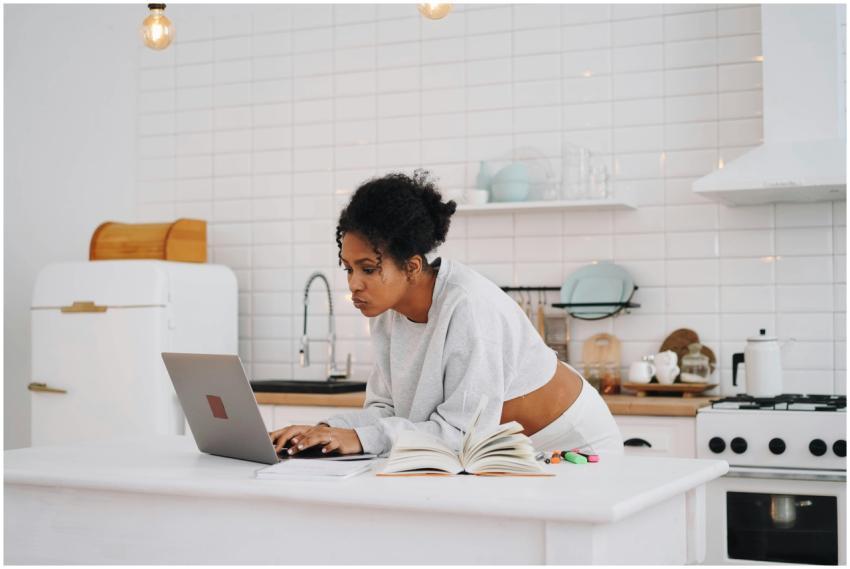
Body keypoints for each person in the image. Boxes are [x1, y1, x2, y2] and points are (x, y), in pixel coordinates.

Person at [269, 170, 623, 458]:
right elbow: (386, 414)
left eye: (367, 268)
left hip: (572, 448)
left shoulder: (467, 305)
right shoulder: (386, 312)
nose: (354, 285)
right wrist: (324, 431)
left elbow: (459, 432)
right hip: (501, 452)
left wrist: (358, 439)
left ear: (411, 266)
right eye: (348, 268)